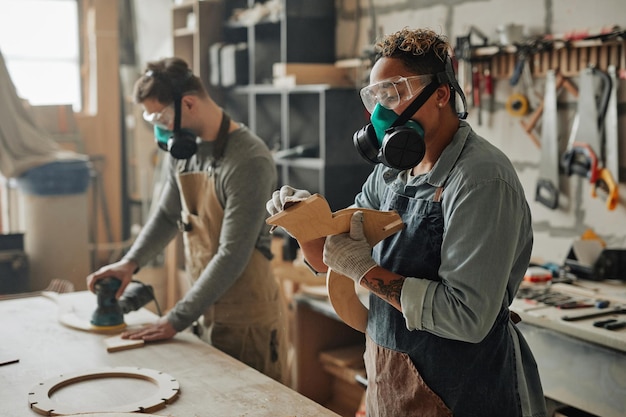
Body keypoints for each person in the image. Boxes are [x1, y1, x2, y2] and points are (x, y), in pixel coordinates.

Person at [267, 28, 547, 416]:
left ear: (441, 94)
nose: (381, 112)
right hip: (394, 380)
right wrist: (304, 222)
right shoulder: (392, 173)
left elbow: (467, 318)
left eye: (394, 94)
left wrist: (365, 272)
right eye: (376, 97)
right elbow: (331, 256)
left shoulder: (480, 179)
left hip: (463, 389)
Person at [87, 57, 288, 383]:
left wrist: (174, 319)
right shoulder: (184, 151)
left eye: (162, 117)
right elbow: (167, 214)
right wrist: (129, 263)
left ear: (189, 103)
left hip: (245, 320)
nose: (160, 128)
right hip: (204, 311)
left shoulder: (249, 159)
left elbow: (232, 253)